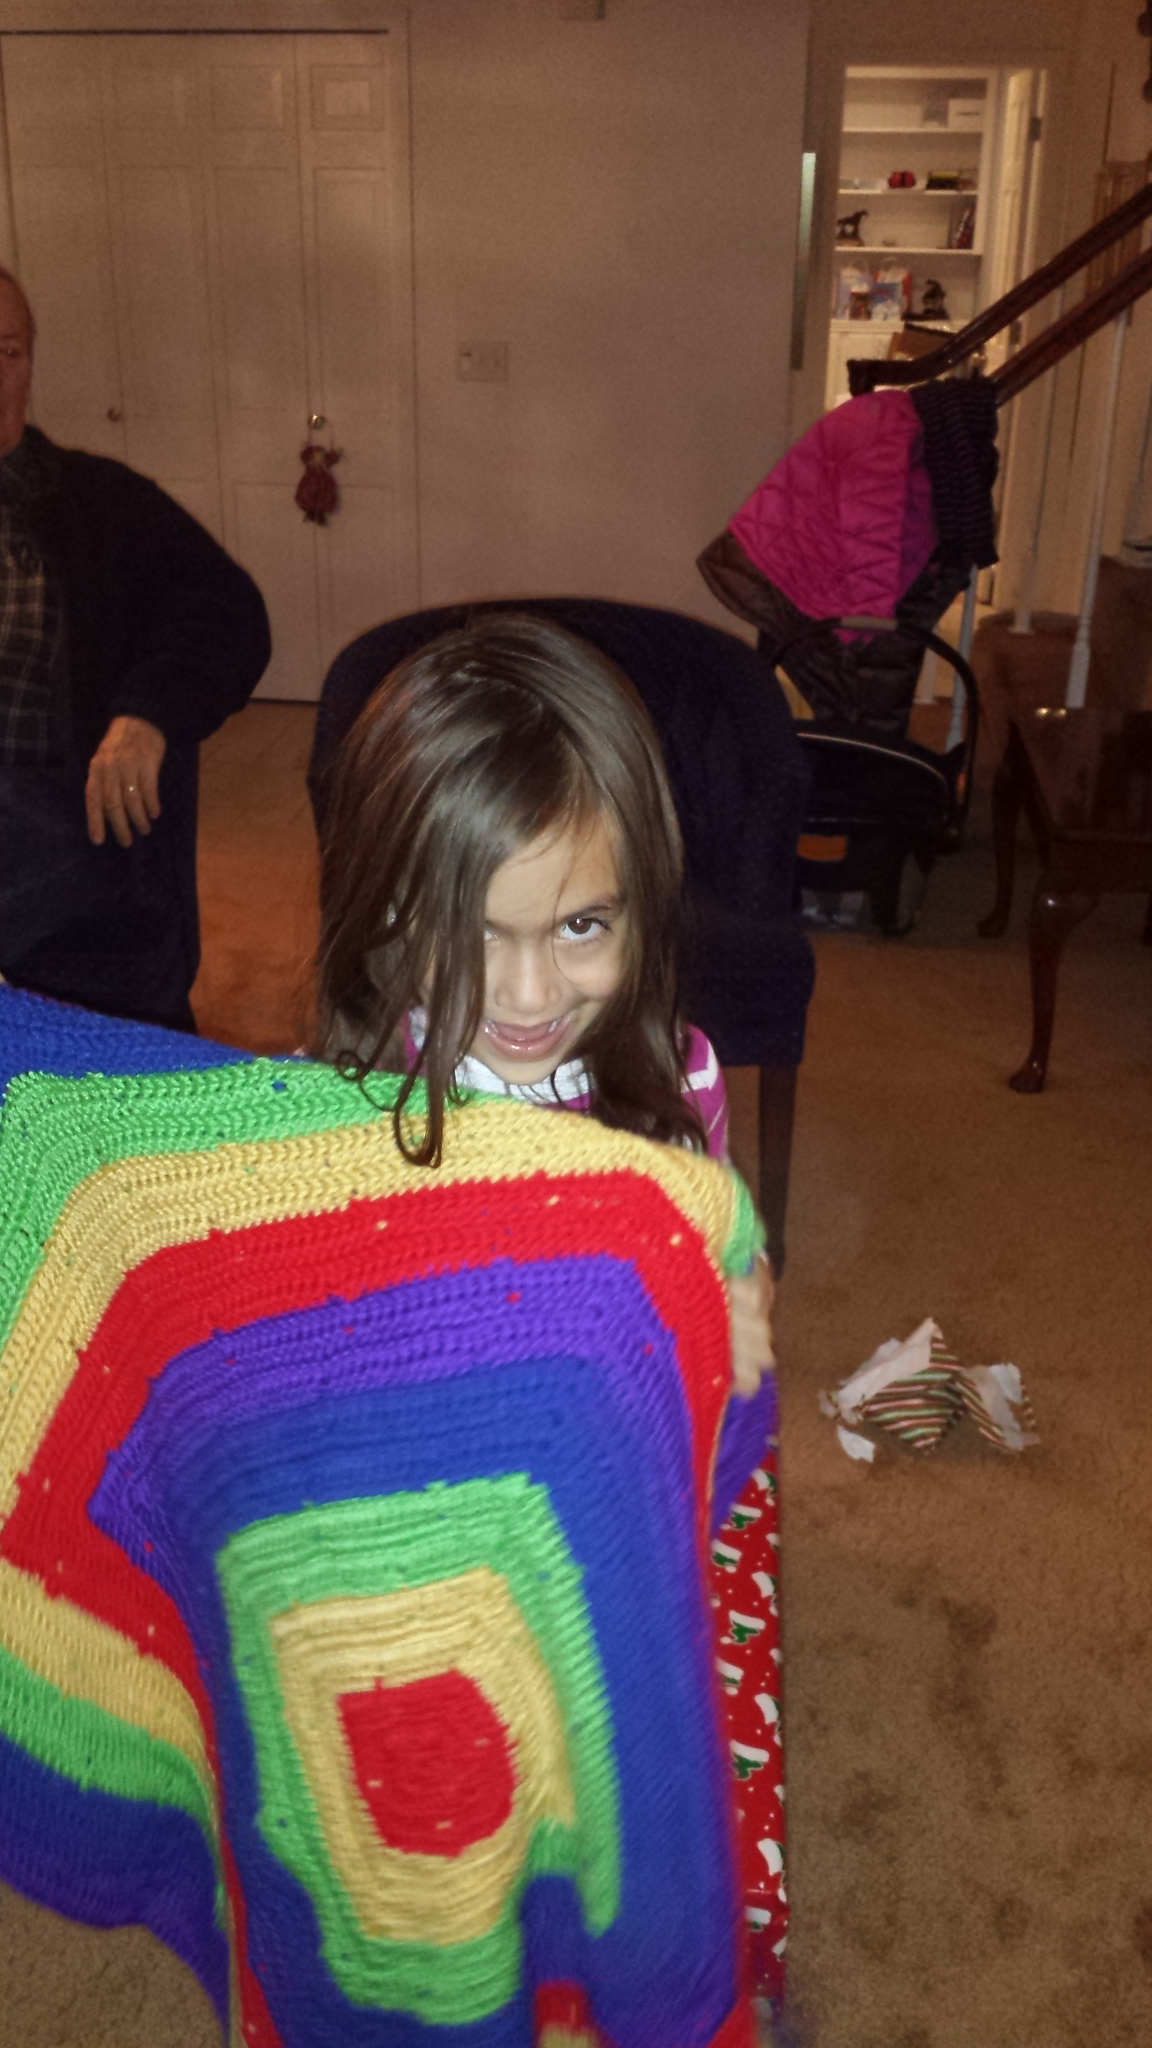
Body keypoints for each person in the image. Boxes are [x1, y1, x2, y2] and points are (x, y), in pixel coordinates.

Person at [312, 612, 788, 1994]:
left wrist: (736, 1302)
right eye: (471, 935)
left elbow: (726, 1253)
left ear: (643, 899)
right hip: (437, 1538)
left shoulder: (676, 1080)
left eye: (583, 926)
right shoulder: (349, 1113)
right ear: (383, 913)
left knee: (663, 1792)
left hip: (625, 1508)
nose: (526, 996)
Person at [0, 267, 270, 1031]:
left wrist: (146, 714)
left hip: (52, 812)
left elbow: (228, 612)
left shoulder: (101, 503)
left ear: (30, 364)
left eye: (8, 351)